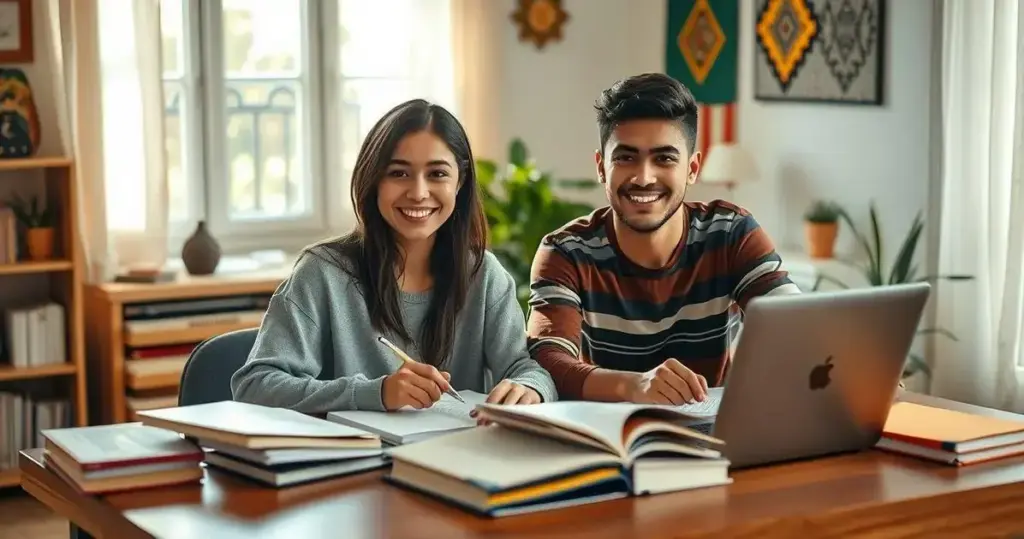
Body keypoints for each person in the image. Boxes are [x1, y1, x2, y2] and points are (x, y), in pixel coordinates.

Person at [231, 99, 557, 414]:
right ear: (374, 181)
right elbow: (255, 385)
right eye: (399, 173)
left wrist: (529, 386)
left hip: (453, 460)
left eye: (437, 174)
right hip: (352, 464)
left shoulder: (484, 275)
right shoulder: (321, 273)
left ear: (460, 182)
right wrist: (378, 392)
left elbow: (525, 368)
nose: (418, 192)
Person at [526, 73, 800, 406]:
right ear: (601, 168)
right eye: (626, 157)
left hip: (711, 436)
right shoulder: (566, 251)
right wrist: (634, 387)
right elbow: (546, 361)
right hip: (607, 440)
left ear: (692, 168)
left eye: (665, 158)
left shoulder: (731, 233)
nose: (644, 177)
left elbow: (796, 324)